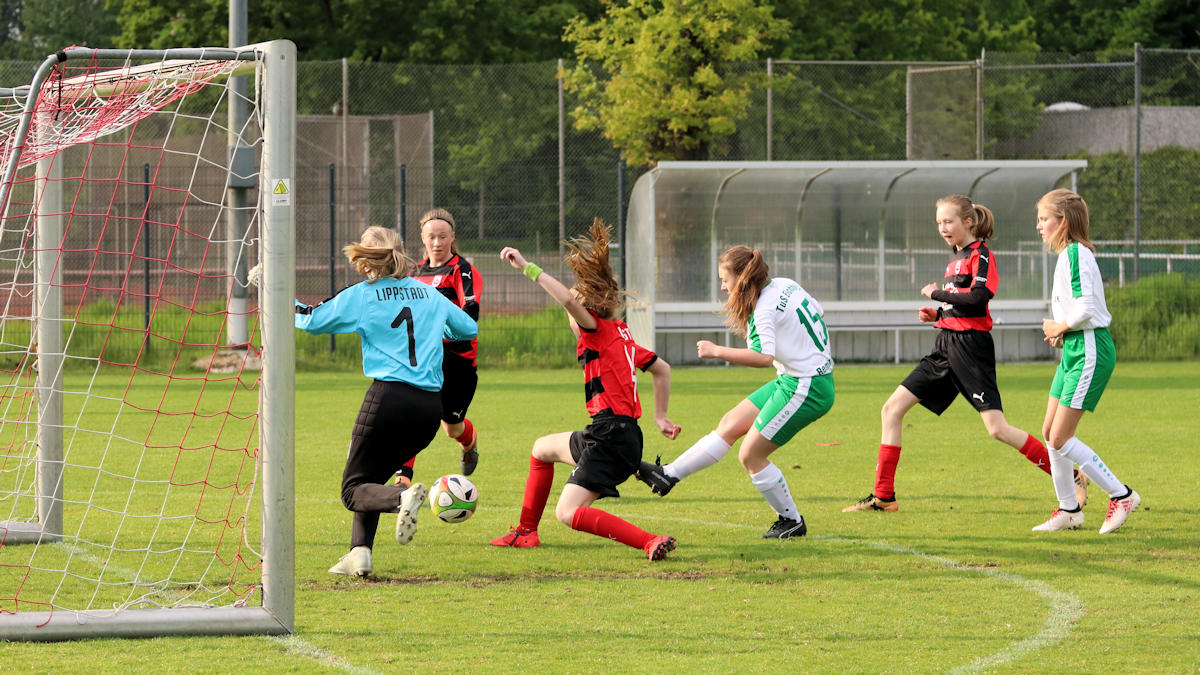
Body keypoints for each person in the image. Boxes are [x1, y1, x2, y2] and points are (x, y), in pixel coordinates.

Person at [843, 195, 1068, 513]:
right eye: (939, 223)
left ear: (969, 222)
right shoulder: (954, 259)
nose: (943, 228)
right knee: (891, 409)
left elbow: (978, 299)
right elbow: (960, 307)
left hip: (970, 350)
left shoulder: (982, 255)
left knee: (997, 429)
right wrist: (937, 316)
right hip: (944, 346)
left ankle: (1070, 476)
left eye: (948, 221)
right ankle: (884, 497)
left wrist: (936, 292)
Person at [490, 219, 681, 561]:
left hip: (609, 436)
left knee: (567, 513)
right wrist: (661, 417)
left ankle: (650, 540)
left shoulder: (595, 329)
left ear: (587, 310)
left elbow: (565, 299)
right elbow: (661, 368)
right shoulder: (619, 334)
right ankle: (526, 531)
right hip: (618, 434)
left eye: (577, 304)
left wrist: (527, 268)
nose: (571, 308)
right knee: (541, 449)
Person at [295, 226, 478, 576]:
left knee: (352, 490)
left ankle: (400, 497)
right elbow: (468, 329)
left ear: (366, 260)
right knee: (371, 477)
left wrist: (277, 296)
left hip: (388, 399)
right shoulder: (427, 293)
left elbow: (312, 321)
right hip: (428, 408)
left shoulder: (365, 295)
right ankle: (359, 554)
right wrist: (438, 329)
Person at [636, 246, 835, 539]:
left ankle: (790, 520)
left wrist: (717, 351)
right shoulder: (784, 284)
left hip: (807, 387)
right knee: (730, 423)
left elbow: (763, 356)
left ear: (742, 278)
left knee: (751, 455)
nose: (722, 286)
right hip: (798, 378)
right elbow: (817, 310)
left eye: (725, 279)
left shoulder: (763, 309)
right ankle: (668, 475)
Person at [1030, 189, 1140, 533]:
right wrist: (1061, 331)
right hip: (1075, 348)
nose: (1039, 226)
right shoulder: (1068, 256)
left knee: (1061, 437)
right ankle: (1069, 510)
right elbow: (1077, 308)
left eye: (1044, 219)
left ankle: (1121, 495)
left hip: (1090, 349)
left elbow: (1088, 308)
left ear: (1063, 221)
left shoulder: (1076, 253)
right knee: (1050, 433)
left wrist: (1059, 325)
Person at [394, 208, 482, 488]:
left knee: (451, 427)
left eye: (442, 237)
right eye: (431, 237)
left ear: (452, 237)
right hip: (424, 358)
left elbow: (470, 314)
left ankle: (469, 443)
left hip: (458, 362)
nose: (436, 243)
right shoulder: (413, 273)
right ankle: (403, 479)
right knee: (413, 413)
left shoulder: (463, 269)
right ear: (423, 237)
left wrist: (435, 326)